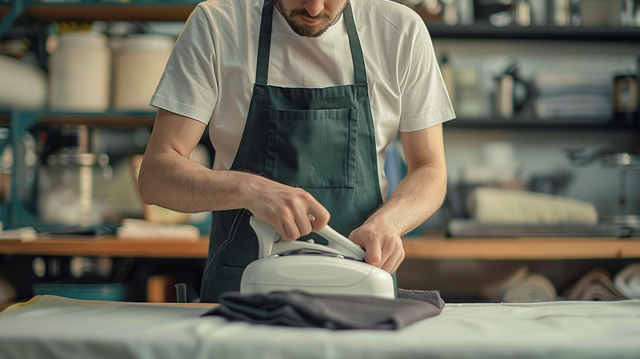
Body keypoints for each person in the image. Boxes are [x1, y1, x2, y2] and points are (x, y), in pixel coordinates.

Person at [138, 0, 455, 302]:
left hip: (360, 291)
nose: (315, 9)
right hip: (242, 296)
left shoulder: (399, 31)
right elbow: (156, 175)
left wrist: (387, 224)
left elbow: (429, 168)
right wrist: (251, 190)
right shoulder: (218, 24)